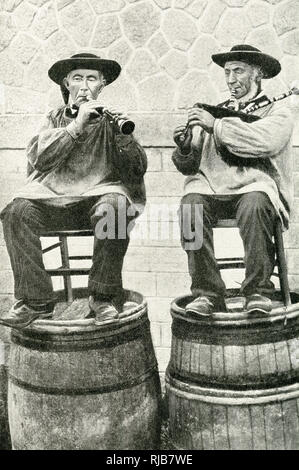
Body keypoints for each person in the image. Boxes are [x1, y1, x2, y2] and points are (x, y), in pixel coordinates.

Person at [0, 53, 147, 328]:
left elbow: (137, 169)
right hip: (54, 204)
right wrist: (77, 125)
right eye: (77, 78)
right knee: (16, 211)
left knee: (115, 207)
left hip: (98, 203)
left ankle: (103, 298)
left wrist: (124, 138)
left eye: (91, 78)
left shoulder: (112, 121)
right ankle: (35, 301)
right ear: (66, 83)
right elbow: (39, 157)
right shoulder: (54, 118)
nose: (83, 86)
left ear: (101, 85)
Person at [172, 44, 294, 317]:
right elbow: (189, 166)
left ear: (257, 74)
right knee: (190, 205)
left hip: (254, 187)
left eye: (238, 71)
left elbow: (263, 142)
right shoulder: (217, 110)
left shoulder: (278, 111)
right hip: (213, 190)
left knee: (255, 202)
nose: (231, 79)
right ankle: (206, 294)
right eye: (227, 72)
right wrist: (183, 147)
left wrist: (215, 126)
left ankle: (258, 292)